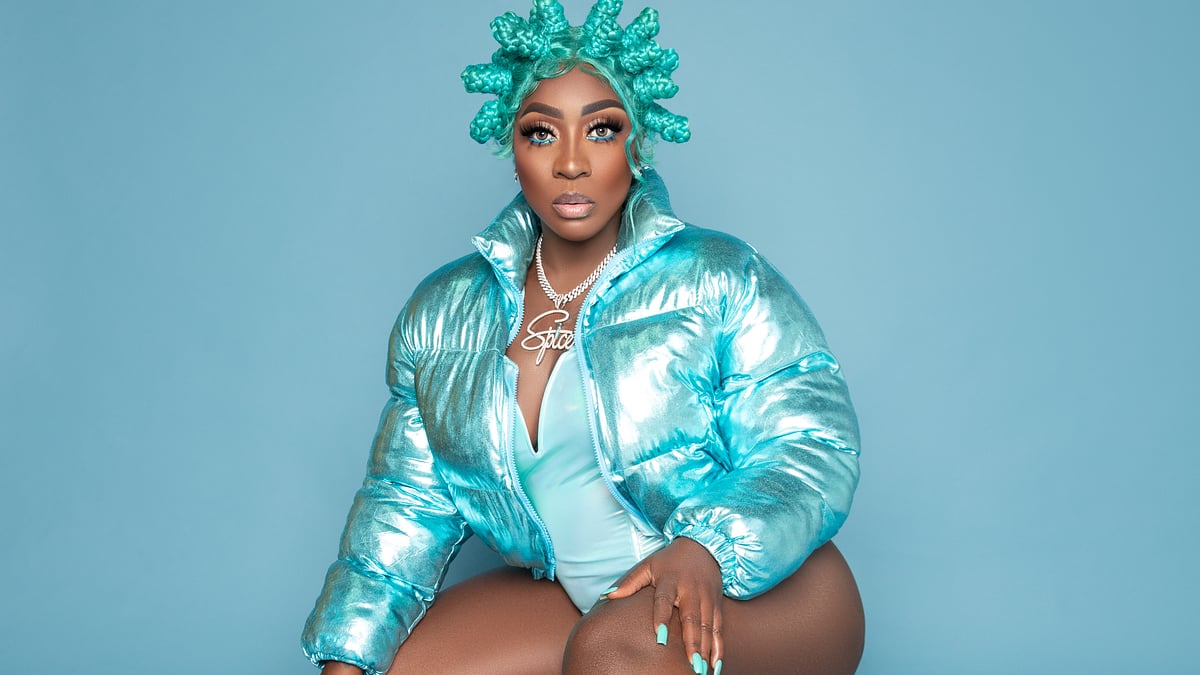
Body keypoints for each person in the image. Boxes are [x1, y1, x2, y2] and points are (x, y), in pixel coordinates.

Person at [303, 1, 864, 673]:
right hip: (590, 598)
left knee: (611, 655)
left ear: (637, 142)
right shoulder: (444, 314)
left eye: (601, 129)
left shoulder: (719, 275)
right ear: (513, 148)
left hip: (757, 584)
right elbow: (405, 505)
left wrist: (708, 546)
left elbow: (813, 444)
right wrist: (346, 655)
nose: (571, 162)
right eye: (542, 133)